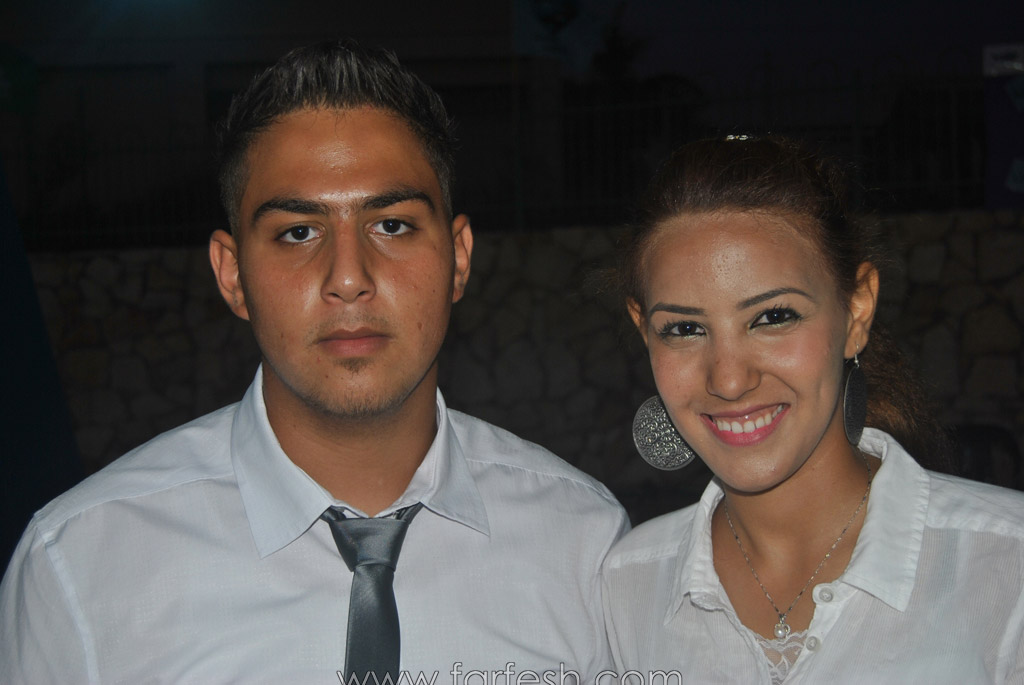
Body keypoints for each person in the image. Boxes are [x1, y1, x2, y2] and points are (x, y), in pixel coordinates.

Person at [1, 40, 628, 683]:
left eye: (392, 225)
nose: (348, 277)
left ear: (459, 258)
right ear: (232, 274)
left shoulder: (586, 548)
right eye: (298, 232)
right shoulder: (81, 567)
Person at [601, 136, 1024, 683]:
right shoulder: (624, 587)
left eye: (773, 317)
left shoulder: (1006, 565)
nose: (729, 380)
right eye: (684, 328)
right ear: (644, 331)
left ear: (857, 310)